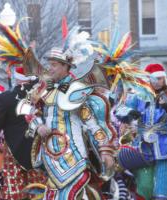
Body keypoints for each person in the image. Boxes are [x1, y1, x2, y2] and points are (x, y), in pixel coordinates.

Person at [24, 47, 116, 199]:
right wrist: (38, 125)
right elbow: (28, 111)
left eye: (54, 65)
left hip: (74, 156)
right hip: (50, 157)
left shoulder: (76, 91)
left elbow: (92, 124)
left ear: (65, 66)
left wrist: (105, 150)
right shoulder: (42, 89)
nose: (49, 68)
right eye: (49, 64)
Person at [116, 63, 167, 199]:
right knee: (145, 186)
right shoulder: (138, 95)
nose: (160, 81)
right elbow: (119, 109)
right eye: (157, 78)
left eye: (162, 78)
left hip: (166, 145)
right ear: (149, 79)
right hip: (142, 145)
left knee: (162, 188)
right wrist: (131, 113)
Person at [0, 67, 46, 200]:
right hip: (37, 149)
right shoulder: (42, 95)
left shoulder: (5, 98)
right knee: (38, 186)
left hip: (13, 149)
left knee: (14, 188)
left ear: (17, 78)